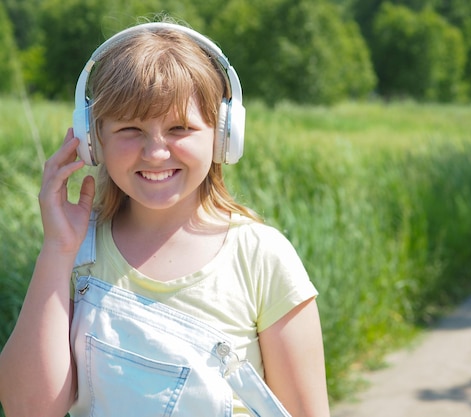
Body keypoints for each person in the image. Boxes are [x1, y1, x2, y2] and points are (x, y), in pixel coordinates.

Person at [0, 20, 330, 417]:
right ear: (94, 138)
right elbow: (27, 409)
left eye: (180, 128)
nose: (155, 153)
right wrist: (56, 250)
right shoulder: (77, 252)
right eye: (130, 129)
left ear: (223, 136)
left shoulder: (260, 257)